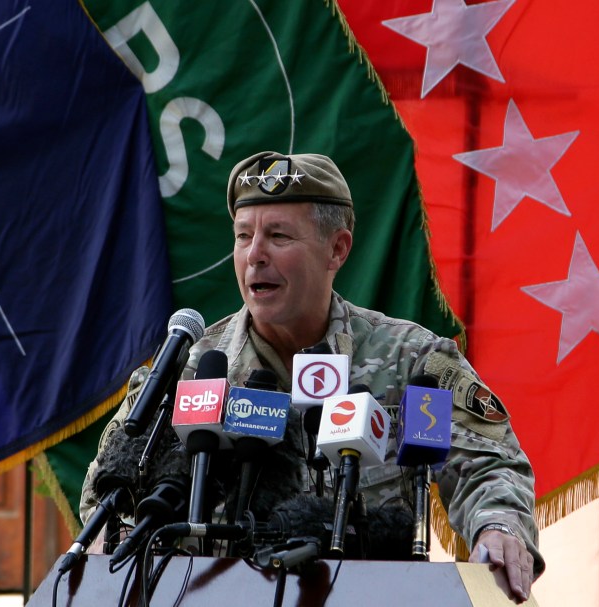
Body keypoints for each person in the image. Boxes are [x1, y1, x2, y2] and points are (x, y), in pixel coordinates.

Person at [81, 151, 545, 602]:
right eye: (244, 237)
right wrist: (107, 543)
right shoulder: (189, 372)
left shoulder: (413, 360)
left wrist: (497, 526)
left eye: (279, 236)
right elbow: (109, 496)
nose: (255, 256)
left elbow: (489, 463)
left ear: (337, 249)